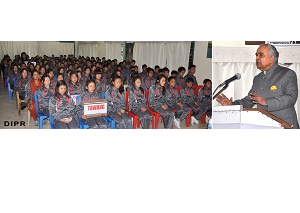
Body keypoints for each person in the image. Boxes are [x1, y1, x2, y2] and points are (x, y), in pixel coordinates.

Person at [216, 44, 299, 129]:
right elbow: (249, 100)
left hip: (286, 126)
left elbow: (291, 97)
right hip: (265, 126)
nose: (257, 58)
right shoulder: (257, 78)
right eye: (256, 55)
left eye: (261, 55)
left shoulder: (287, 74)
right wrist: (232, 105)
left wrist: (266, 102)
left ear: (272, 58)